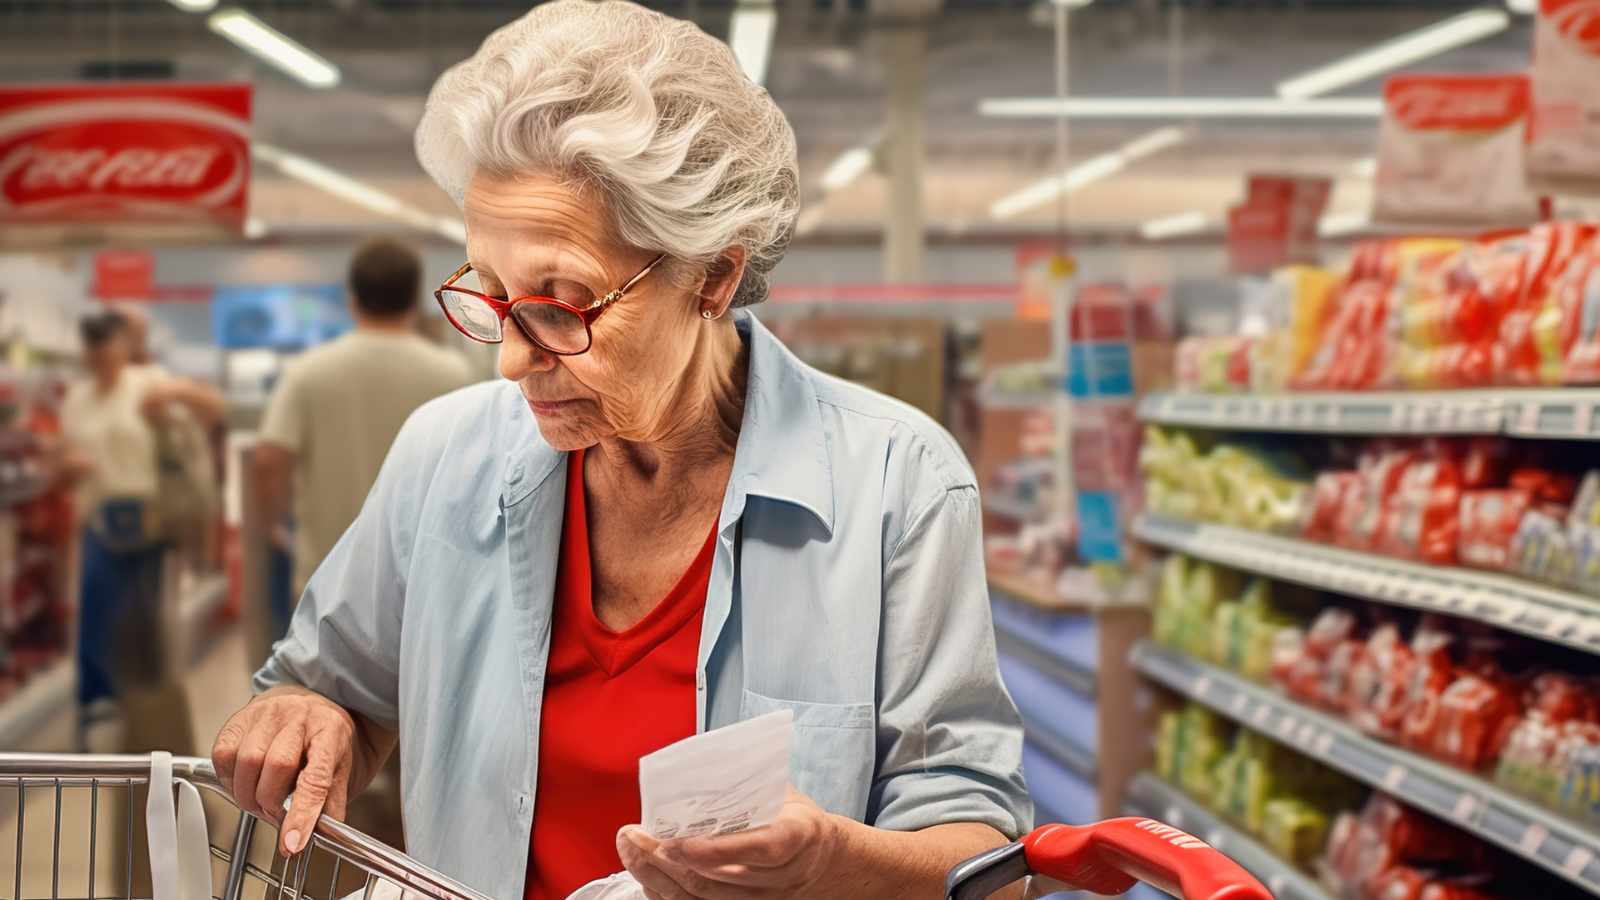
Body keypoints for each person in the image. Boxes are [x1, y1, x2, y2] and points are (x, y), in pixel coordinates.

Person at [212, 3, 1030, 899]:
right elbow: (334, 688)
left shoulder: (896, 484)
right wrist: (306, 713)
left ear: (712, 276)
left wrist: (834, 863)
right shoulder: (443, 457)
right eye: (492, 295)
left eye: (563, 302)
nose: (515, 358)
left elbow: (985, 853)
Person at [251, 237, 474, 604]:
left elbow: (268, 458)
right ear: (415, 299)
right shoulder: (453, 373)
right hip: (424, 577)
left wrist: (275, 526)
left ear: (351, 298)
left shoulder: (309, 373)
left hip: (328, 578)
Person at [62, 310, 224, 749]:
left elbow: (214, 407)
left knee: (145, 613)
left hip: (150, 514)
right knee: (96, 608)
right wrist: (69, 465)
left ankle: (148, 704)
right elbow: (67, 451)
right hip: (100, 514)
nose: (101, 360)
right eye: (93, 353)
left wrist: (173, 391)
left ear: (121, 348)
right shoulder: (78, 399)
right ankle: (99, 702)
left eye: (108, 349)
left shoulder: (148, 382)